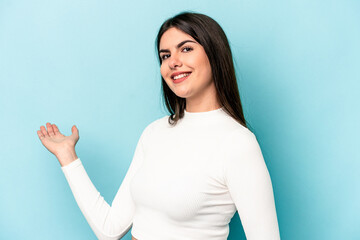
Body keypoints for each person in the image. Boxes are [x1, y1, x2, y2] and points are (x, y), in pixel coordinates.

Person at [37, 12, 280, 240]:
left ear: (215, 55)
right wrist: (67, 156)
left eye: (186, 49)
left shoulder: (237, 143)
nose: (173, 62)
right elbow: (109, 229)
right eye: (165, 56)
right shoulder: (154, 132)